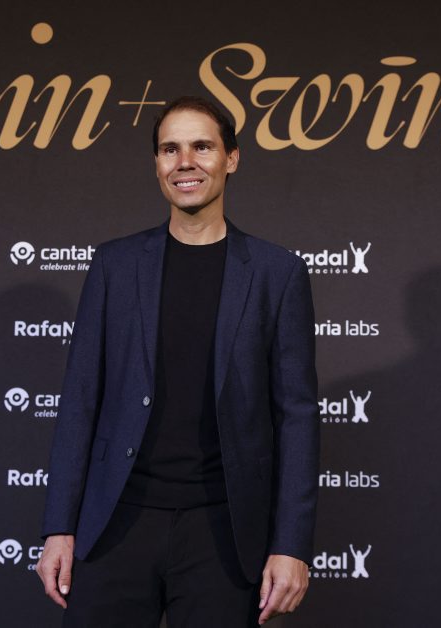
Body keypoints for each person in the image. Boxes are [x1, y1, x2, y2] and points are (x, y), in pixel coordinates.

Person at [36, 96, 319, 627]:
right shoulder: (115, 265)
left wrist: (291, 545)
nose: (185, 162)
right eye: (170, 149)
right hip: (115, 523)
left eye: (202, 147)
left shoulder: (276, 273)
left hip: (225, 533)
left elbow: (297, 417)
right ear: (157, 163)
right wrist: (59, 527)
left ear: (232, 158)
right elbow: (79, 401)